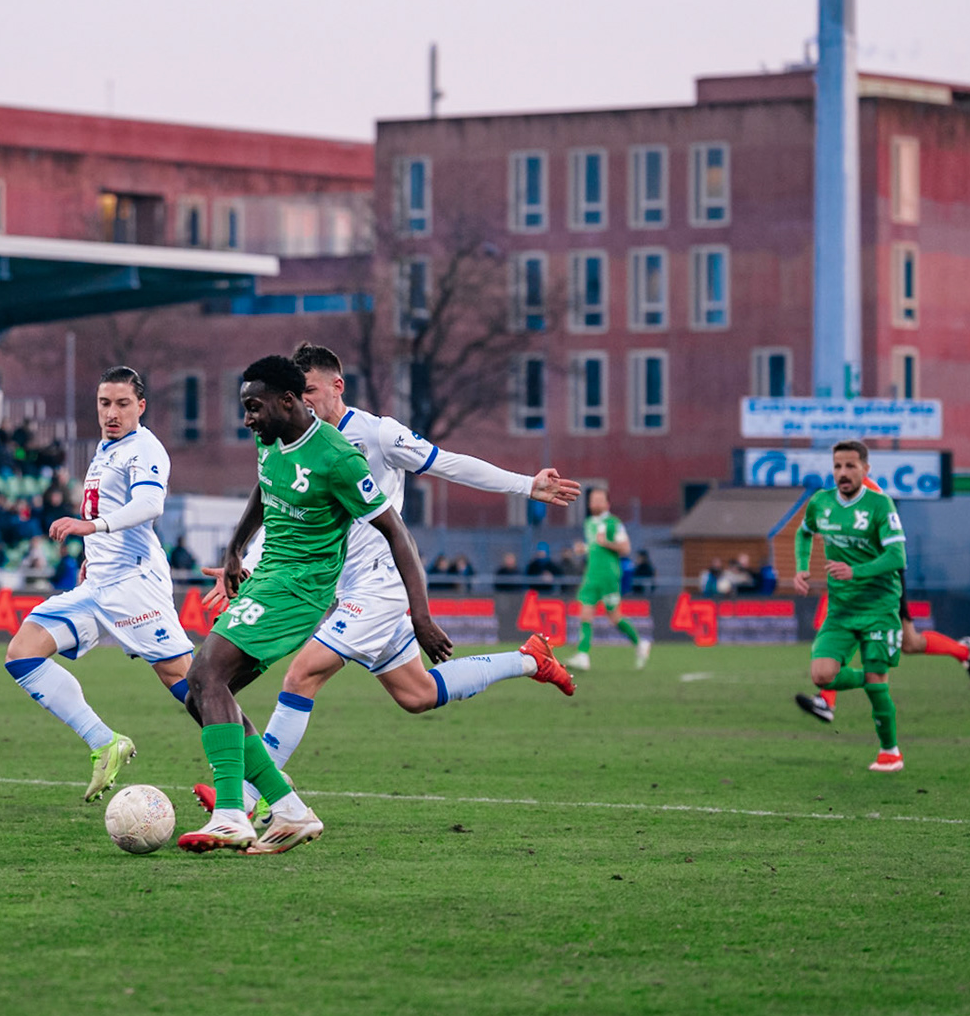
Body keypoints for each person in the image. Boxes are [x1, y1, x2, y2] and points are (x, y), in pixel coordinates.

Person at [195, 342, 575, 824]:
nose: (305, 402)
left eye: (311, 390)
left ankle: (249, 798)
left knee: (301, 675)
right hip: (340, 587)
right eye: (298, 392)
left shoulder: (376, 435)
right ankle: (528, 661)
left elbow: (449, 463)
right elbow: (279, 502)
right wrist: (241, 558)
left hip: (381, 587)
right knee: (417, 694)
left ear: (337, 386)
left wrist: (525, 485)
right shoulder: (288, 442)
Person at [179, 354, 449, 856]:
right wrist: (237, 547)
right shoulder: (270, 439)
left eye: (254, 408)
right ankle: (289, 810)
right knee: (201, 696)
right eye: (245, 408)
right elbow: (265, 491)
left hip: (302, 587)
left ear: (288, 401)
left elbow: (398, 534)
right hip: (268, 578)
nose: (247, 420)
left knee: (207, 673)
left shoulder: (338, 458)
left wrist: (420, 614)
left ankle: (232, 814)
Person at [3, 367, 194, 803]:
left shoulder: (144, 448)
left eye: (122, 404)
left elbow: (148, 503)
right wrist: (93, 557)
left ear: (140, 407)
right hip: (99, 585)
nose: (112, 412)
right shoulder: (106, 449)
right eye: (105, 403)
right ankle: (104, 742)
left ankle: (263, 783)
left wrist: (92, 528)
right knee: (22, 651)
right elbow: (110, 503)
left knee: (195, 692)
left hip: (134, 585)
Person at [796, 476, 970, 727]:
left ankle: (964, 651)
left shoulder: (868, 491)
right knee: (901, 640)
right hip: (854, 578)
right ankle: (827, 701)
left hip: (881, 578)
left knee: (906, 642)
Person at [788, 439, 909, 773]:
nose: (843, 473)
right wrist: (801, 567)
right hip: (841, 611)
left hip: (879, 608)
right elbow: (804, 533)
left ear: (865, 470)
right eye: (838, 466)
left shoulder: (880, 506)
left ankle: (890, 752)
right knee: (822, 674)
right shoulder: (821, 503)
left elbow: (898, 556)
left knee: (876, 687)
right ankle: (872, 680)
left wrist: (856, 571)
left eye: (851, 466)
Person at [568, 488, 651, 671]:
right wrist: (585, 549)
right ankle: (583, 655)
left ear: (607, 504)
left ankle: (640, 643)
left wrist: (607, 543)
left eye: (599, 500)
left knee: (614, 617)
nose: (595, 503)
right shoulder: (589, 523)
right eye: (593, 500)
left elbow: (626, 548)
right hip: (591, 574)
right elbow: (594, 546)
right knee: (585, 614)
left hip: (609, 575)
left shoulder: (614, 523)